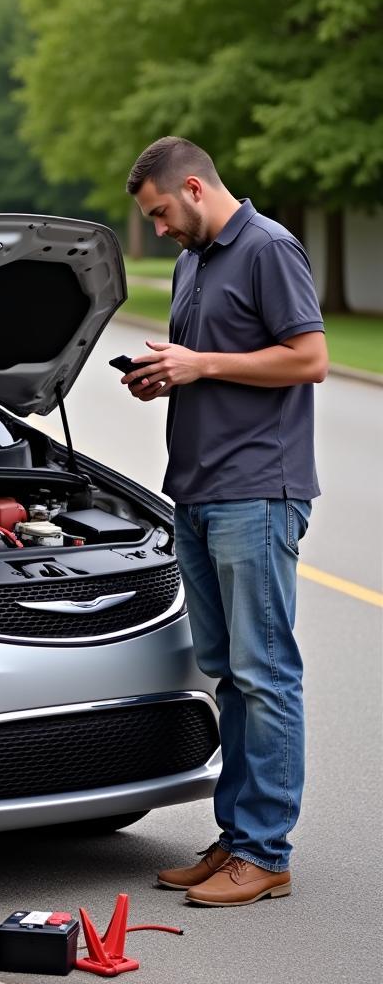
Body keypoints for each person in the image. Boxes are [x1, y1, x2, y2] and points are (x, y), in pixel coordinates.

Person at [123, 136, 328, 906]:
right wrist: (167, 377)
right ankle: (238, 836)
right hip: (198, 493)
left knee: (265, 674)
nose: (160, 229)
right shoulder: (191, 262)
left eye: (163, 212)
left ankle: (267, 853)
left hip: (258, 493)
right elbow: (210, 364)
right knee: (230, 675)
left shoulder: (270, 248)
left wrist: (202, 364)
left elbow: (307, 358)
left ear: (197, 188)